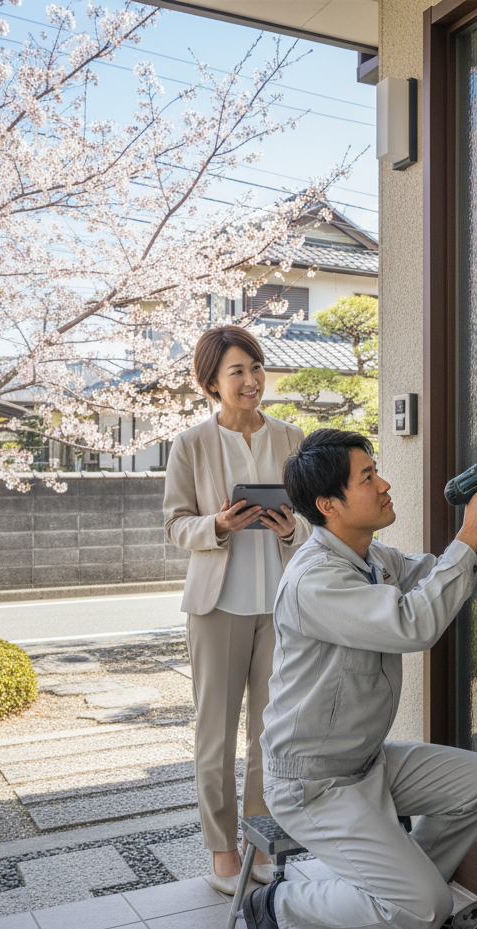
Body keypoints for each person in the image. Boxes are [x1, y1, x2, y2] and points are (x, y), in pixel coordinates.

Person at [242, 428, 477, 929]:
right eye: (367, 477)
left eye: (376, 470)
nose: (385, 483)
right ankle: (283, 909)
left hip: (365, 763)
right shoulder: (315, 579)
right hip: (315, 783)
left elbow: (432, 577)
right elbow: (413, 623)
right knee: (428, 909)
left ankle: (398, 898)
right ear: (329, 506)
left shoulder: (368, 555)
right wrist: (471, 535)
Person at [163, 325, 311, 895]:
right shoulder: (191, 444)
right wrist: (217, 526)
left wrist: (292, 527)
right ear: (211, 383)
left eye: (256, 367)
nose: (251, 381)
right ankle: (222, 850)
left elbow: (315, 519)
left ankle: (259, 838)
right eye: (237, 372)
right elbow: (176, 524)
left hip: (280, 607)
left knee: (271, 734)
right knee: (216, 734)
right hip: (217, 607)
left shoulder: (293, 438)